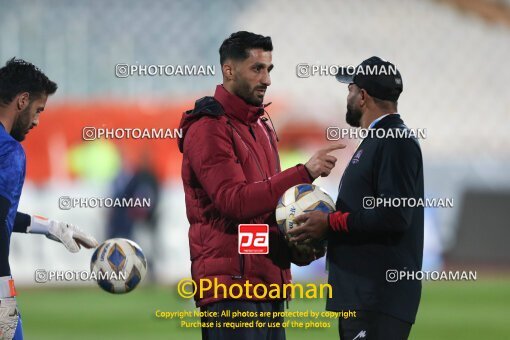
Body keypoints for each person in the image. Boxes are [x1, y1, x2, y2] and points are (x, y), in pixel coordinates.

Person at [177, 31, 344, 340]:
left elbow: (256, 222)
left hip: (266, 285)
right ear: (229, 71)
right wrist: (303, 172)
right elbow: (234, 201)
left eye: (269, 69)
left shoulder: (261, 127)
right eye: (257, 68)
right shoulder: (207, 128)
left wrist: (294, 245)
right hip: (229, 289)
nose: (266, 79)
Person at [289, 57, 424, 340]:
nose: (347, 97)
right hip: (365, 295)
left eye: (350, 89)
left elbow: (394, 215)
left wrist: (331, 224)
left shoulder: (394, 141)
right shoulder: (380, 140)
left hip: (376, 297)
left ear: (363, 96)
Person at [0, 58, 98, 340]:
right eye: (37, 110)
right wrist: (3, 294)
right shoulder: (9, 151)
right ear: (22, 100)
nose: (37, 121)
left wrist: (50, 227)